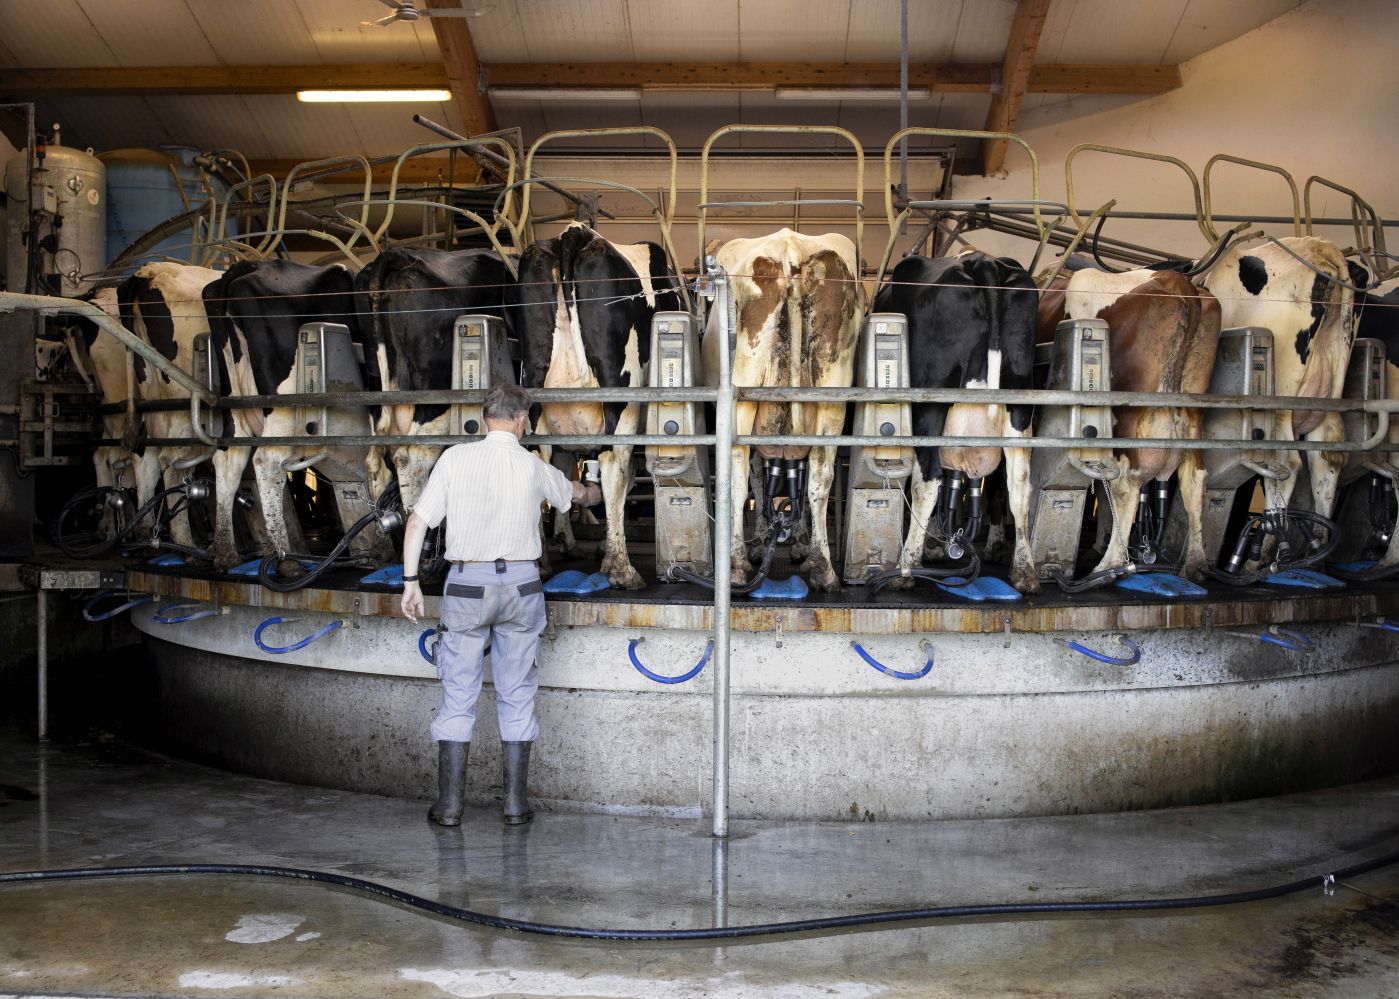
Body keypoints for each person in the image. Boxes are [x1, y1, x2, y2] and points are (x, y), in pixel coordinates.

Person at [400, 383, 601, 826]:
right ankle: (515, 805)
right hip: (523, 588)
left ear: (485, 416)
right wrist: (595, 492)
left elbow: (417, 521)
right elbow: (573, 497)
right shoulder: (533, 465)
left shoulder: (454, 459)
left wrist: (411, 582)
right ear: (522, 420)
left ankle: (450, 807)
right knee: (517, 691)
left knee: (458, 694)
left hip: (468, 586)